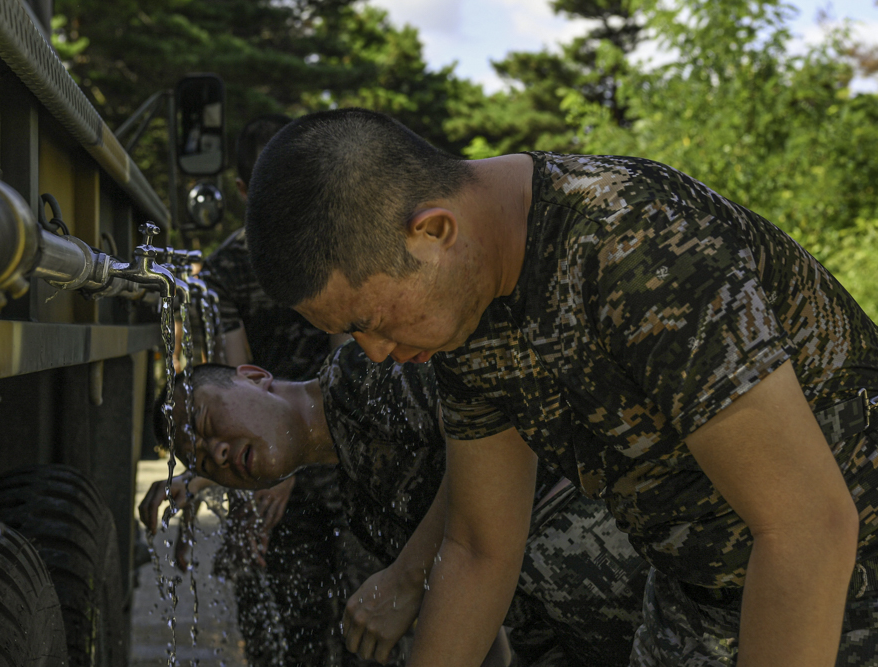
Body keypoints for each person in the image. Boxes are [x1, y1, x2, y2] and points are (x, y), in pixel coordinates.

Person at [241, 107, 878, 666]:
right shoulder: (465, 305)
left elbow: (807, 528)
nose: (376, 355)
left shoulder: (634, 247)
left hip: (848, 579)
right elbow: (478, 546)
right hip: (696, 586)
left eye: (370, 322)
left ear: (433, 231)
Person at [140, 342, 650, 666]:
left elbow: (500, 422)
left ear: (253, 376)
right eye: (206, 462)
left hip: (652, 579)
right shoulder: (362, 507)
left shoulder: (368, 370)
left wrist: (407, 575)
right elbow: (473, 614)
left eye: (208, 426)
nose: (219, 452)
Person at [193, 113, 363, 666]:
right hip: (309, 452)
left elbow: (344, 363)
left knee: (296, 637)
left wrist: (279, 462)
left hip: (312, 449)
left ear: (242, 189)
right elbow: (344, 362)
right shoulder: (331, 247)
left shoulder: (226, 270)